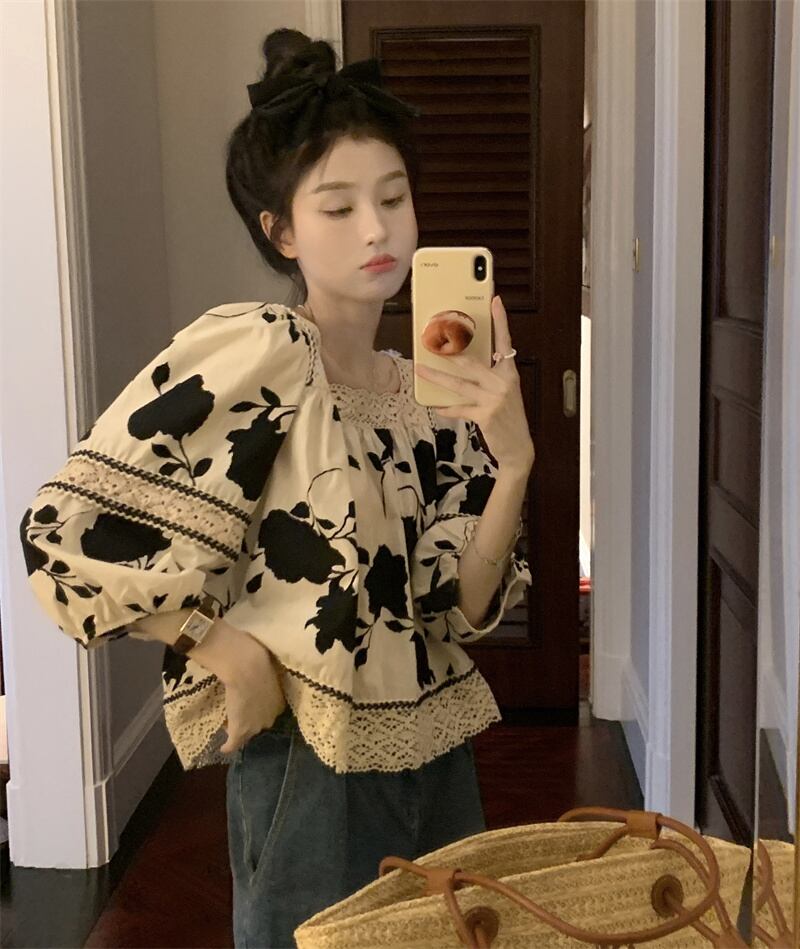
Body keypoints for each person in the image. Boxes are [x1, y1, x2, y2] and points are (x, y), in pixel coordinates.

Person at [19, 28, 534, 949]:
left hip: (439, 757)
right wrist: (219, 646)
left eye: (393, 197)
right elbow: (63, 527)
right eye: (338, 206)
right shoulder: (265, 348)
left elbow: (461, 605)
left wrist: (516, 463)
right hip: (311, 761)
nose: (377, 229)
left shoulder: (424, 394)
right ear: (281, 231)